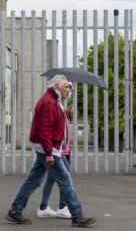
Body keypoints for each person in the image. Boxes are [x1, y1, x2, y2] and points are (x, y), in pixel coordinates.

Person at [5, 75, 96, 227]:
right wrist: (48, 153)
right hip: (49, 150)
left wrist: (66, 114)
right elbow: (44, 130)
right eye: (67, 86)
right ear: (57, 86)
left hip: (47, 149)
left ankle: (15, 211)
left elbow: (53, 123)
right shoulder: (48, 102)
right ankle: (77, 215)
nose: (69, 89)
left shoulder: (53, 100)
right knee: (65, 180)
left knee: (33, 180)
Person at [36, 102, 73, 219]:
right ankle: (62, 207)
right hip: (59, 153)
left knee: (50, 180)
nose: (72, 110)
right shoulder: (60, 117)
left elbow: (66, 138)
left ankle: (43, 207)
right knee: (66, 179)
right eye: (71, 109)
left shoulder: (66, 120)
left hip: (63, 153)